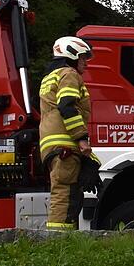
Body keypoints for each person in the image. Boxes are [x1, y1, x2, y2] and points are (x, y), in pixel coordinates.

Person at [39, 36, 94, 230]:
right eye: (83, 58)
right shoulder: (69, 74)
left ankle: (61, 240)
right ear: (71, 55)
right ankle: (59, 242)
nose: (85, 63)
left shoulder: (49, 77)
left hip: (51, 142)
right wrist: (82, 139)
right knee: (65, 194)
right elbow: (67, 106)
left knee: (65, 192)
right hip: (65, 142)